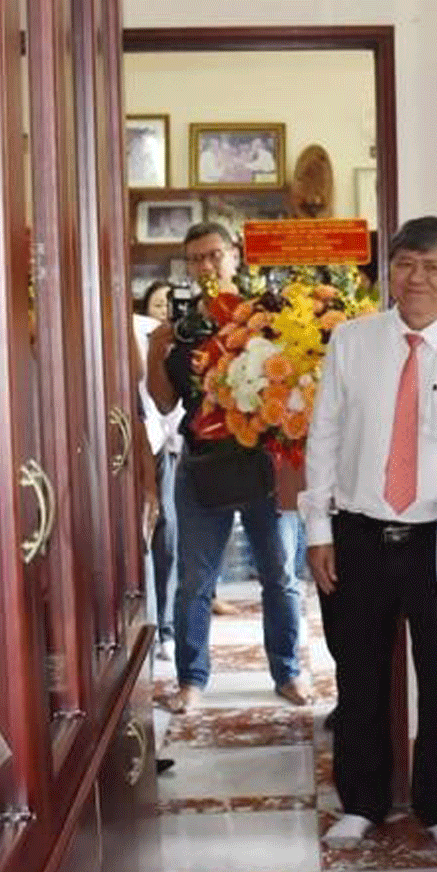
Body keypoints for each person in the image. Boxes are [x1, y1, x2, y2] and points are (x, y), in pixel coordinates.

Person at [302, 215, 437, 851]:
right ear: (389, 270)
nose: (417, 278)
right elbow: (325, 436)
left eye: (433, 267)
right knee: (359, 675)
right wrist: (318, 529)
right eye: (405, 264)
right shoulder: (351, 342)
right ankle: (362, 803)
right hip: (360, 531)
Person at [145, 221, 307, 713]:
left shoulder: (267, 314)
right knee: (196, 579)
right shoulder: (185, 325)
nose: (207, 267)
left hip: (264, 462)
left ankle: (289, 671)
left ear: (236, 256)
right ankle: (191, 680)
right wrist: (157, 348)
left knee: (280, 575)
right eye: (196, 260)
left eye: (215, 255)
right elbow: (164, 400)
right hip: (201, 464)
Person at [133, 281, 183, 661]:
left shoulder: (186, 331)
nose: (165, 308)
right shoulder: (132, 327)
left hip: (160, 442)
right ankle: (147, 628)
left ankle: (165, 627)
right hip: (138, 438)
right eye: (159, 302)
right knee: (142, 539)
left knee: (167, 534)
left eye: (171, 302)